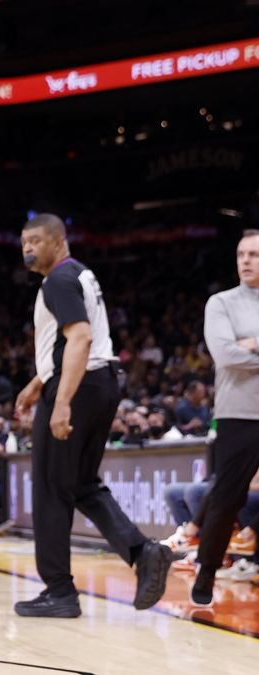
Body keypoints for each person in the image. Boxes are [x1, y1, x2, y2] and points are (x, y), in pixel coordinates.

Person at [14, 213, 173, 618]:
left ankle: (59, 592)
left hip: (80, 386)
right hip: (102, 381)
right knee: (81, 483)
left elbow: (81, 337)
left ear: (57, 241)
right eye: (23, 243)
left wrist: (61, 399)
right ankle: (142, 551)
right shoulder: (79, 273)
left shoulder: (58, 280)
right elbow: (83, 341)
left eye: (35, 240)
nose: (28, 249)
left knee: (52, 489)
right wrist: (40, 381)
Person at [189, 229, 259, 606]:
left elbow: (242, 352)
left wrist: (252, 344)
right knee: (226, 498)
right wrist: (240, 349)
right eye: (241, 254)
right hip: (240, 413)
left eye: (254, 255)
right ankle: (206, 572)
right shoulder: (221, 303)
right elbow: (227, 356)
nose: (246, 261)